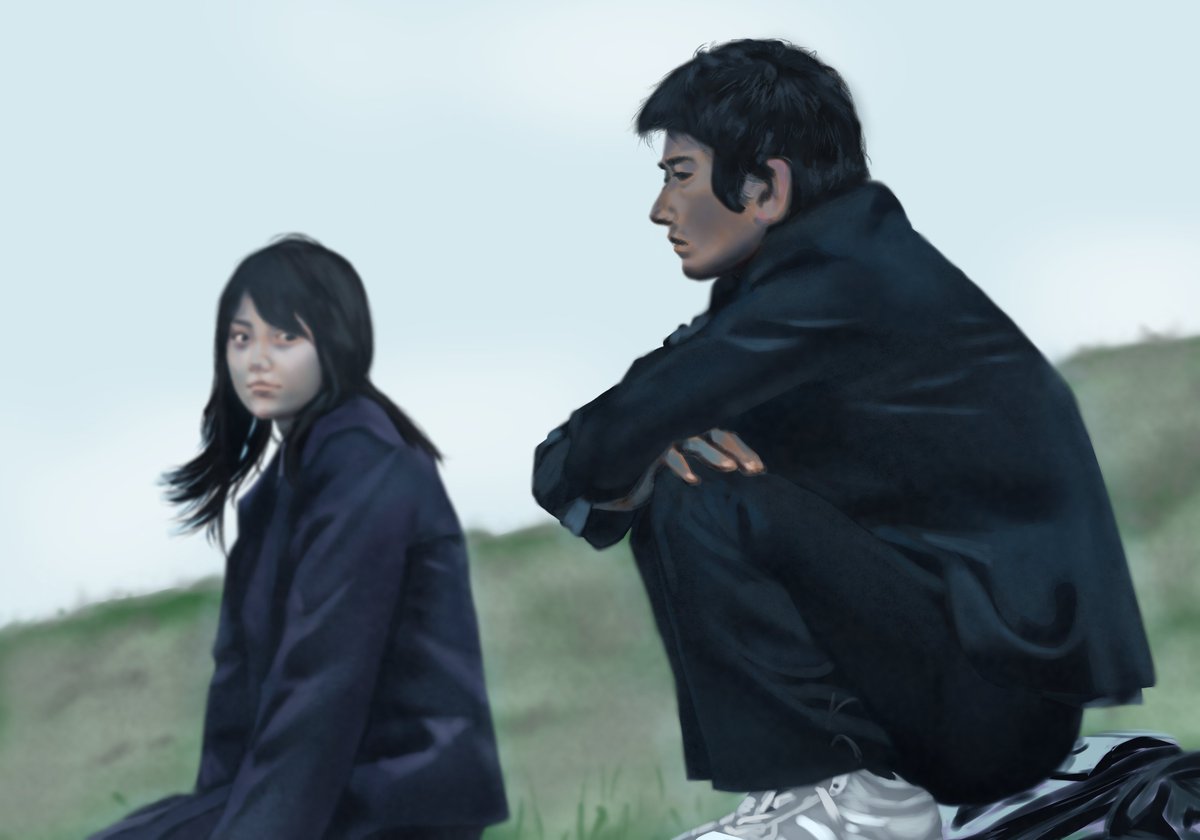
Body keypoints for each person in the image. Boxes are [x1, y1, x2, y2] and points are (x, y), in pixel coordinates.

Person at [532, 39, 1154, 839]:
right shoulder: (822, 273)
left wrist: (650, 446)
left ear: (766, 185)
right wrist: (649, 441)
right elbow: (603, 437)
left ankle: (851, 802)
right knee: (685, 460)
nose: (661, 208)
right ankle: (831, 792)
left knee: (697, 487)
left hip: (989, 710)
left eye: (680, 174)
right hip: (978, 691)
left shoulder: (832, 287)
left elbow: (600, 445)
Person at [91, 236, 508, 840]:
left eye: (285, 337)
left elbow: (322, 686)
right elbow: (237, 693)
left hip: (397, 804)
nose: (256, 360)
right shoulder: (278, 491)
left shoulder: (369, 469)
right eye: (241, 338)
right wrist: (214, 811)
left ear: (336, 339)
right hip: (324, 796)